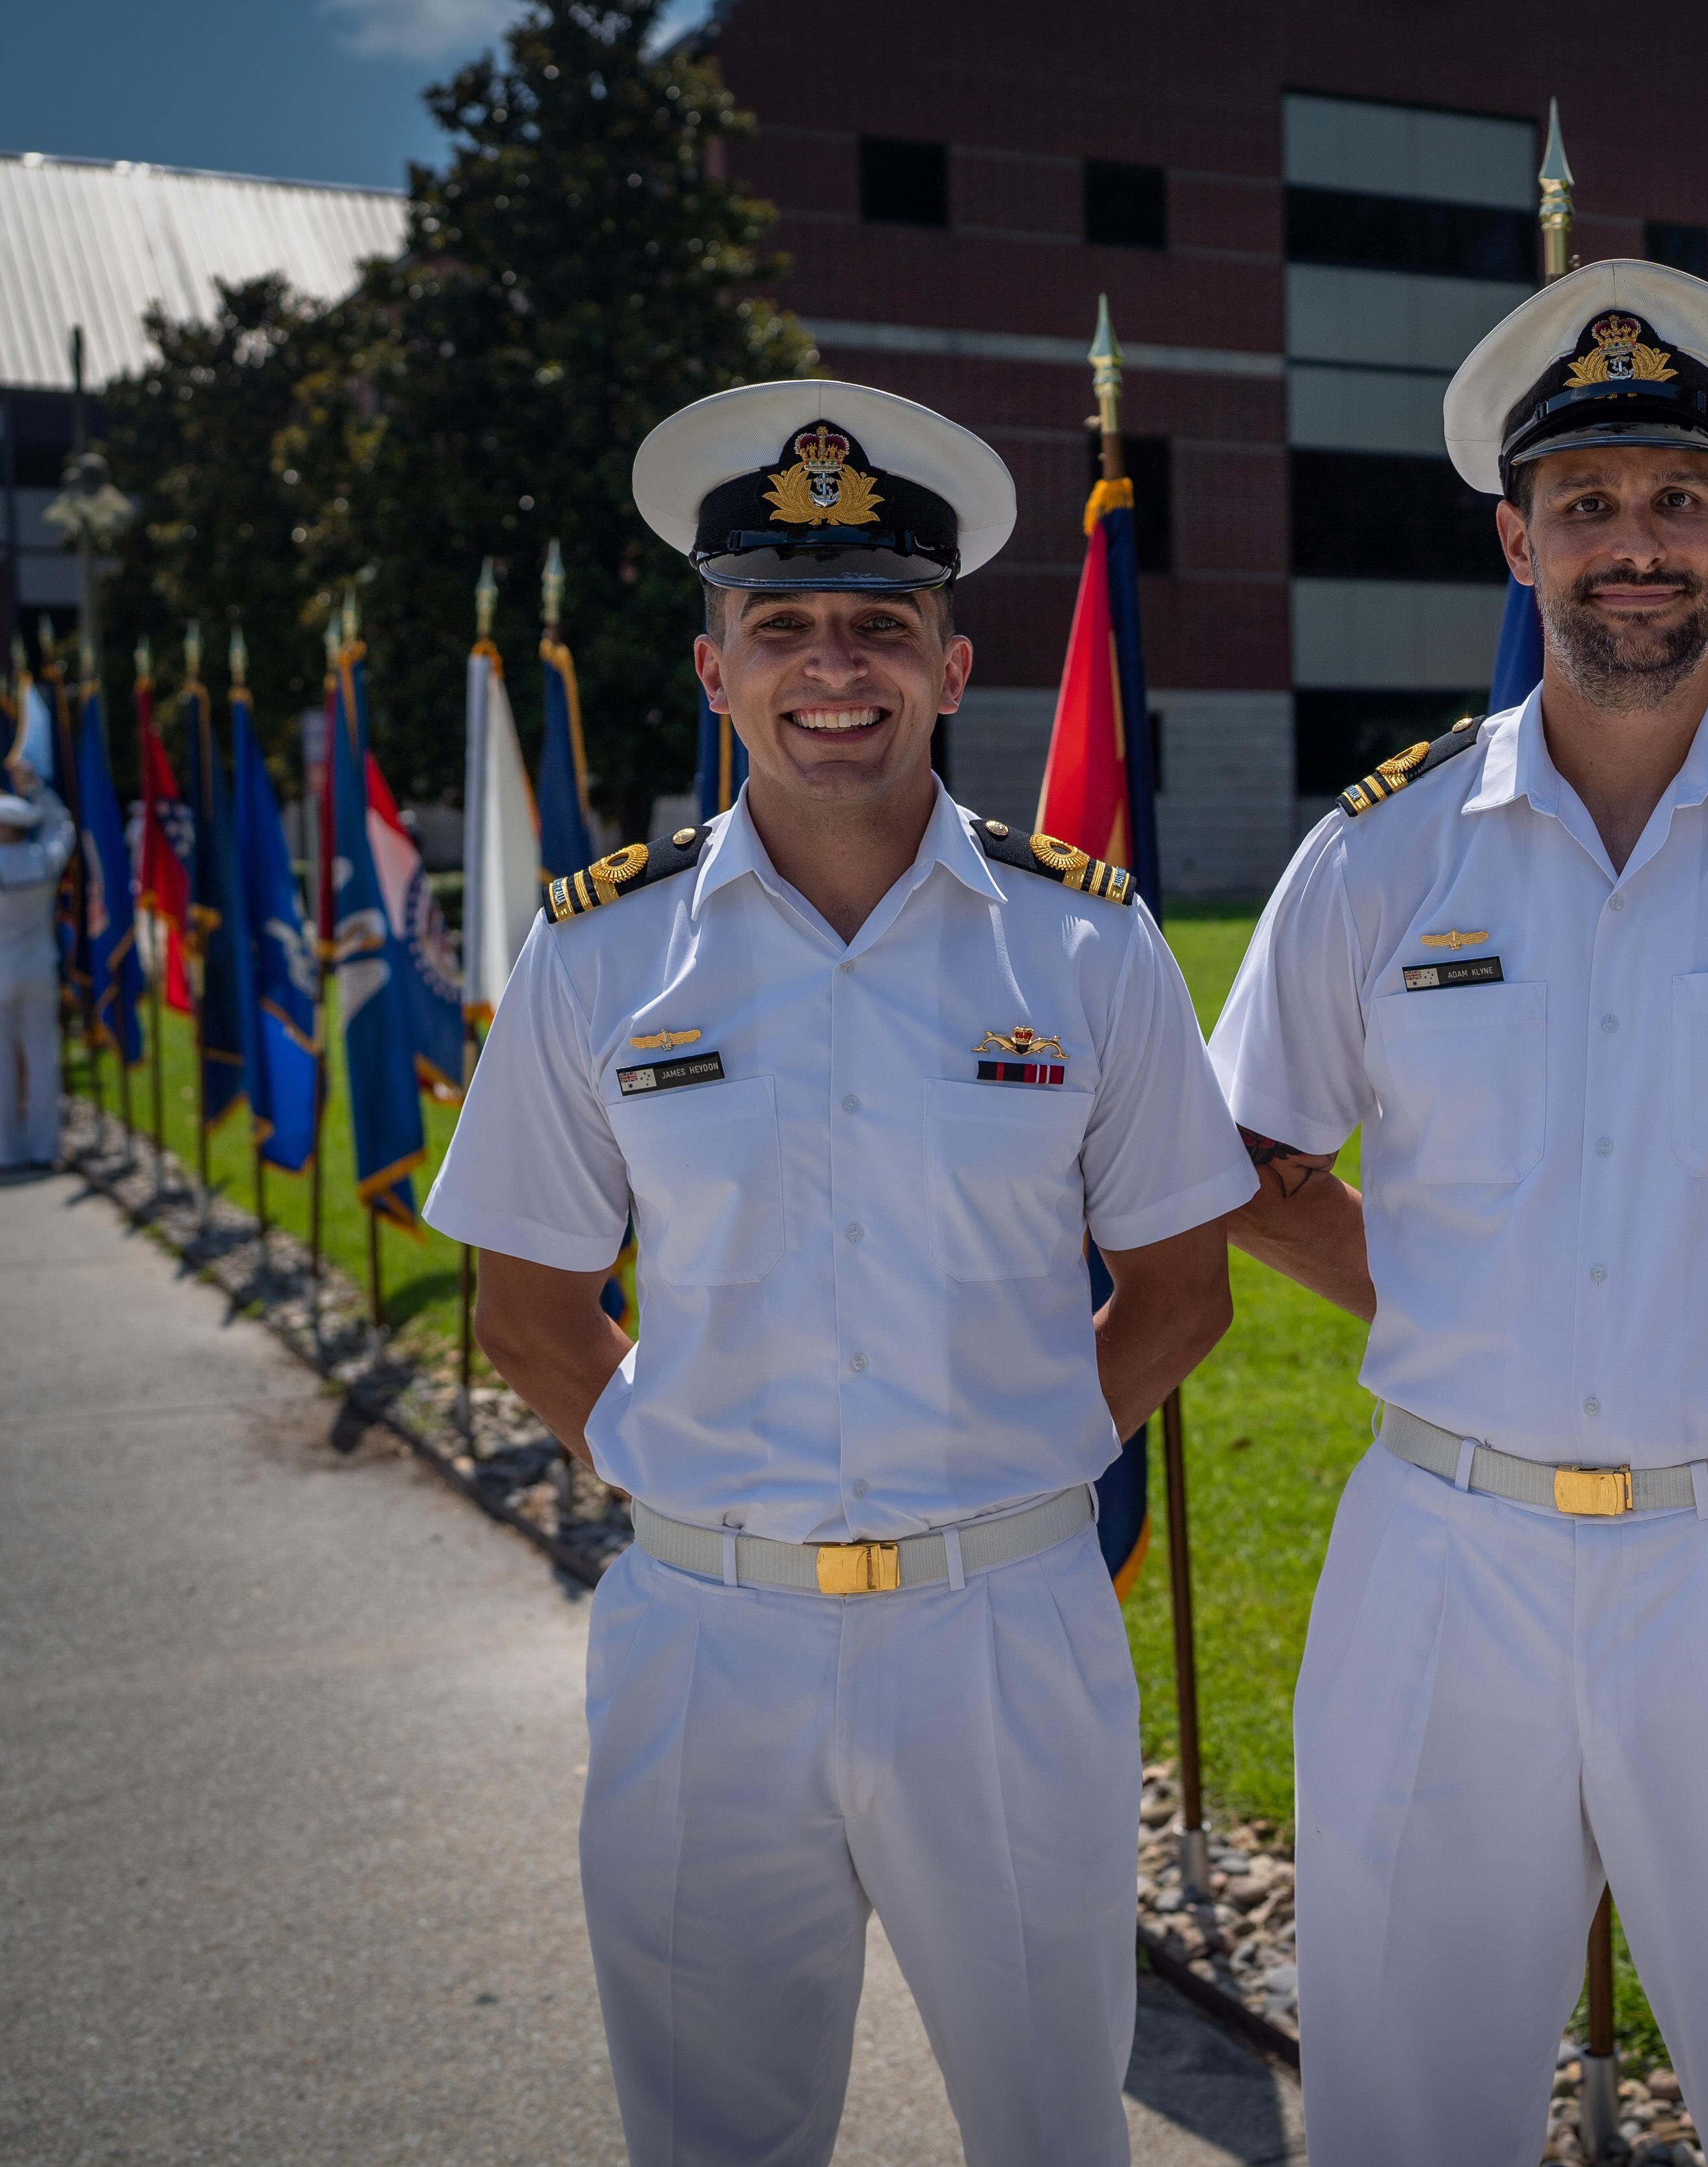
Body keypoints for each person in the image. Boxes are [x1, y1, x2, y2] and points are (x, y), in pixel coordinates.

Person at [1210, 260, 1708, 2167]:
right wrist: (1435, 1299)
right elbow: (1245, 1154)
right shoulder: (1384, 847)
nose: (1633, 547)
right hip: (1442, 1548)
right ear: (1516, 540)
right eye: (1585, 507)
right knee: (1407, 2106)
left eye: (1673, 500)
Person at [427, 381, 1252, 2166]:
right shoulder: (603, 956)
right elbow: (530, 1301)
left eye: (882, 624)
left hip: (1007, 1636)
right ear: (715, 669)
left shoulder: (1088, 945)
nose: (834, 665)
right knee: (714, 2135)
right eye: (780, 624)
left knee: (1052, 2126)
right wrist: (679, 1471)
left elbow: (1185, 1283)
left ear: (954, 668)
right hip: (706, 1645)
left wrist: (1023, 1447)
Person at [0, 764, 75, 1168]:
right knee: (42, 1058)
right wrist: (39, 788)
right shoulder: (42, 859)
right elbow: (64, 828)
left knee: (2, 1064)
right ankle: (46, 1147)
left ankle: (7, 1151)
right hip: (39, 969)